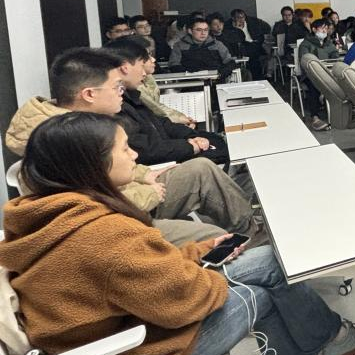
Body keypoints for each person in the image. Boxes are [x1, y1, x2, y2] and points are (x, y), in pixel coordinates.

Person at [0, 112, 355, 355]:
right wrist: (219, 275)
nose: (135, 155)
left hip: (118, 335)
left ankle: (326, 344)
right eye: (124, 149)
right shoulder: (101, 233)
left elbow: (141, 272)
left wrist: (200, 252)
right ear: (92, 165)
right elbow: (184, 302)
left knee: (267, 263)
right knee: (259, 292)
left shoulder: (48, 214)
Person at [3, 48, 243, 245]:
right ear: (89, 94)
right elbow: (92, 206)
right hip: (116, 225)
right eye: (117, 87)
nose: (122, 94)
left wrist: (144, 174)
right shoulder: (62, 140)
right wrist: (149, 192)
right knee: (214, 236)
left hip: (133, 197)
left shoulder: (81, 123)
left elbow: (111, 170)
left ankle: (252, 236)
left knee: (201, 169)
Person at [109, 39, 233, 166]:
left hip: (168, 150)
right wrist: (190, 146)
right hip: (159, 162)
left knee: (220, 143)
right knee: (207, 163)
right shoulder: (117, 106)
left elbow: (162, 123)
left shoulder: (132, 97)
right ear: (125, 68)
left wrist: (192, 136)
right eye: (142, 64)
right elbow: (145, 150)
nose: (144, 72)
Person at [131, 36, 194, 127]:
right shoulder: (134, 85)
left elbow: (156, 106)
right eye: (147, 56)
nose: (153, 59)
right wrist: (181, 120)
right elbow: (154, 108)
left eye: (151, 54)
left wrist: (181, 118)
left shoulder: (148, 77)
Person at [297, 18, 338, 130]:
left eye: (326, 28)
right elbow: (305, 61)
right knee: (313, 86)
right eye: (322, 28)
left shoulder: (328, 43)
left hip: (327, 73)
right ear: (314, 29)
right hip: (310, 75)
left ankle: (338, 112)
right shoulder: (306, 44)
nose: (325, 31)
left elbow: (335, 55)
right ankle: (315, 117)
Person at [168, 17, 235, 79]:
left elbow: (230, 62)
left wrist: (220, 74)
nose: (203, 33)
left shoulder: (217, 44)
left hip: (216, 80)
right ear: (190, 31)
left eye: (206, 30)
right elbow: (174, 65)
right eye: (199, 30)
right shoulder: (179, 46)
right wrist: (191, 75)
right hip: (190, 82)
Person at [229, 8, 268, 80]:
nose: (241, 19)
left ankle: (257, 77)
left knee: (254, 56)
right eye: (238, 17)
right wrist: (237, 29)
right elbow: (236, 40)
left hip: (254, 44)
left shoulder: (252, 23)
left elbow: (266, 29)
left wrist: (258, 40)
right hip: (240, 47)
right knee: (250, 56)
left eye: (243, 17)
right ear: (233, 18)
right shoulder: (229, 27)